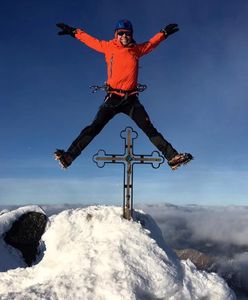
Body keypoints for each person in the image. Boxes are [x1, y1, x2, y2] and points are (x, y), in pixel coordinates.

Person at [55, 20, 193, 170]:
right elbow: (89, 40)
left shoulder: (136, 49)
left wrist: (163, 33)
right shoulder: (108, 47)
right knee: (95, 127)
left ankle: (172, 157)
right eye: (121, 33)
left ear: (131, 35)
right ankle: (68, 157)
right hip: (113, 98)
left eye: (127, 33)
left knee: (148, 128)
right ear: (116, 35)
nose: (124, 36)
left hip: (131, 100)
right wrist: (74, 31)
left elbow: (152, 43)